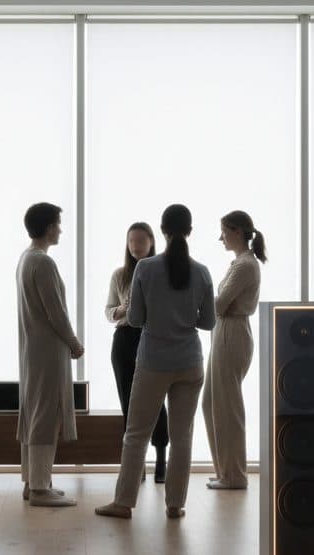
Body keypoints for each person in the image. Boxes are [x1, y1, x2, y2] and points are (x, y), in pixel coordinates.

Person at [95, 204, 216, 519]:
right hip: (190, 362)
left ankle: (124, 502)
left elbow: (134, 319)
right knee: (182, 436)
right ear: (189, 231)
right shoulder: (202, 272)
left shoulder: (144, 269)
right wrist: (184, 317)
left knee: (136, 434)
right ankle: (175, 505)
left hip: (153, 362)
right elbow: (209, 323)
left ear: (161, 231)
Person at [16, 202, 84, 507]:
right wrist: (73, 342)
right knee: (46, 415)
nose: (60, 229)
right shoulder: (42, 263)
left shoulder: (25, 259)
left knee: (35, 412)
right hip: (48, 350)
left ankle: (34, 482)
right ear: (48, 228)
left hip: (33, 350)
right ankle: (41, 488)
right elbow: (56, 311)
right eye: (57, 223)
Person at [203, 211, 266, 490]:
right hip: (225, 331)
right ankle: (225, 471)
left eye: (224, 232)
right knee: (211, 404)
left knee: (227, 407)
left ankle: (235, 475)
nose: (221, 238)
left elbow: (220, 304)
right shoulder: (240, 263)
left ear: (238, 232)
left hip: (232, 332)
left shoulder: (245, 266)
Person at [106, 222, 169, 484]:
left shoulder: (162, 271)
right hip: (124, 339)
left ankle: (161, 458)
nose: (135, 247)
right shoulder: (120, 275)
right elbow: (109, 312)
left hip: (151, 338)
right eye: (131, 242)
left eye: (140, 241)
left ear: (152, 242)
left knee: (156, 400)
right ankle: (135, 462)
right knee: (128, 402)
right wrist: (124, 308)